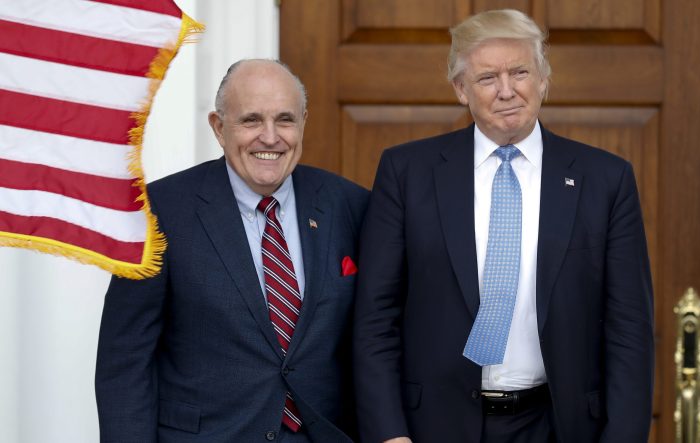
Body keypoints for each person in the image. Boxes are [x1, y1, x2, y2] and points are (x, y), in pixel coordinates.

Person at [353, 9, 654, 443]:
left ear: (544, 79)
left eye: (520, 72)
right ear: (461, 89)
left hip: (559, 425)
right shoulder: (406, 172)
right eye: (488, 78)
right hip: (432, 426)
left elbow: (629, 329)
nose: (507, 91)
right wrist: (388, 433)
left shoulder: (606, 180)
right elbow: (375, 318)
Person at [96, 59, 368, 443]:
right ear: (219, 127)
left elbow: (379, 338)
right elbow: (125, 360)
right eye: (251, 120)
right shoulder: (160, 211)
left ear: (304, 122)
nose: (270, 137)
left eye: (285, 120)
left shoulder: (351, 206)